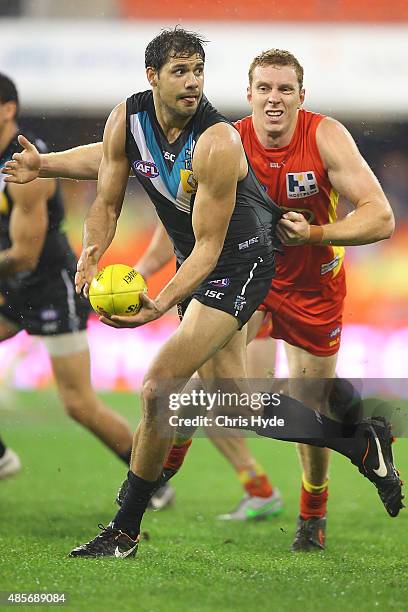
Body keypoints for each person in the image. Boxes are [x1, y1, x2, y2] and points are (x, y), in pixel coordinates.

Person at [2, 29, 403, 560]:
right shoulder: (130, 117)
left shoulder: (217, 140)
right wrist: (90, 247)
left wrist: (160, 303)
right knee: (232, 404)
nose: (192, 83)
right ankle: (359, 441)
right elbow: (109, 176)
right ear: (153, 77)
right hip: (208, 264)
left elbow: (211, 248)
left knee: (157, 389)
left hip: (242, 265)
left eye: (198, 72)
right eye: (180, 72)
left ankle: (124, 531)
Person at [0, 73, 135, 479]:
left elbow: (25, 256)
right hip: (12, 285)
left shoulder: (25, 163)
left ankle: (149, 477)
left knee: (78, 404)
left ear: (8, 110)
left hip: (50, 285)